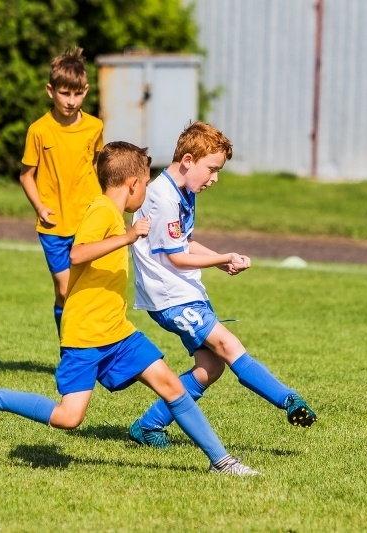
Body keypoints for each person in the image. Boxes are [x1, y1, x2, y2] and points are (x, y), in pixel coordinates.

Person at [0, 141, 259, 476]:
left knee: (170, 384)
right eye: (145, 183)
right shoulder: (102, 210)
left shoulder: (111, 213)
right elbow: (77, 254)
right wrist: (127, 237)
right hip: (85, 333)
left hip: (117, 331)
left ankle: (222, 462)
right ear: (133, 184)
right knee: (70, 417)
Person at [127, 121, 317, 448]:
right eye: (212, 169)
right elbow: (176, 258)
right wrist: (220, 258)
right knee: (229, 346)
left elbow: (183, 244)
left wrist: (220, 257)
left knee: (210, 367)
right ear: (188, 160)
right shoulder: (163, 197)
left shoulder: (183, 191)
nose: (214, 178)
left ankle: (149, 425)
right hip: (170, 297)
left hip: (185, 293)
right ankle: (288, 399)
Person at [19, 48, 104, 336]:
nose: (71, 101)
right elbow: (26, 176)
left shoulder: (95, 126)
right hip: (54, 225)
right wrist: (40, 208)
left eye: (77, 94)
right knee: (64, 290)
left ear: (86, 91)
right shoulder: (39, 130)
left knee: (89, 290)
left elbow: (97, 167)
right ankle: (68, 345)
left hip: (87, 221)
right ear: (50, 91)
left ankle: (85, 348)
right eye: (65, 93)